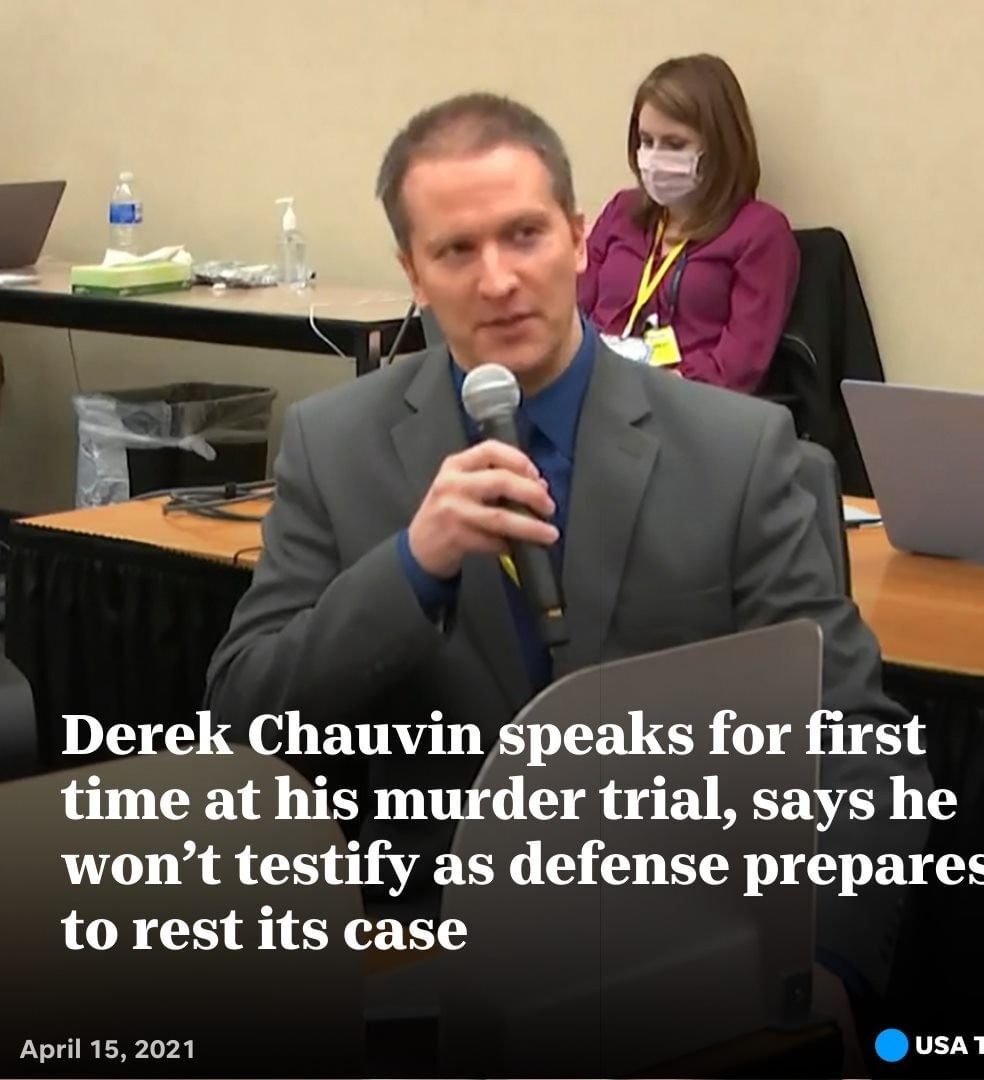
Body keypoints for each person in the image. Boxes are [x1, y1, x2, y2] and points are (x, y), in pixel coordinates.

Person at [205, 92, 928, 1070]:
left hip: (696, 970)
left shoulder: (741, 452)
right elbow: (246, 722)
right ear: (412, 271)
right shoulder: (335, 448)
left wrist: (825, 967)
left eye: (524, 234)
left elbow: (858, 749)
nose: (498, 278)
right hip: (435, 977)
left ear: (580, 238)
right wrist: (410, 569)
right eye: (456, 250)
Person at [578, 54, 799, 392]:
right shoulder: (622, 211)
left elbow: (738, 367)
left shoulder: (760, 231)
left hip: (684, 401)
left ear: (718, 146)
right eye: (646, 141)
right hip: (595, 386)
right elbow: (571, 310)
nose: (654, 157)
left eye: (674, 144)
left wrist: (659, 387)